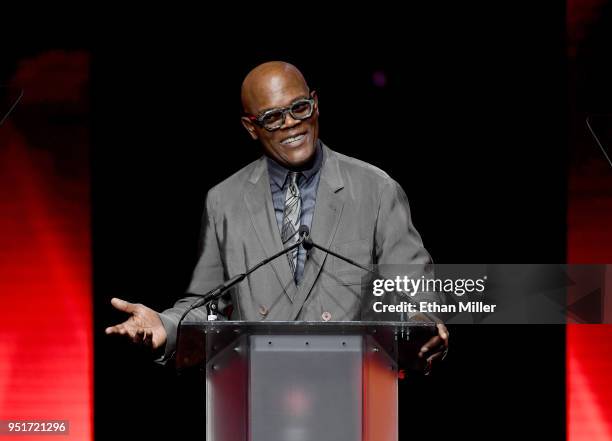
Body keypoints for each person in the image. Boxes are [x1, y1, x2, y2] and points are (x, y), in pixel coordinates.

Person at [105, 61, 449, 365]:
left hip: (356, 386)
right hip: (259, 391)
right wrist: (166, 326)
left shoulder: (376, 188)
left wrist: (420, 322)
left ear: (315, 104)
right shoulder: (223, 201)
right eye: (272, 117)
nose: (291, 124)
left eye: (299, 108)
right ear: (250, 127)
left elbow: (414, 289)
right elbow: (207, 301)